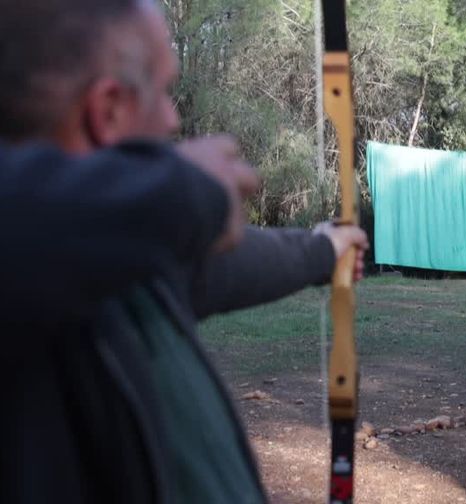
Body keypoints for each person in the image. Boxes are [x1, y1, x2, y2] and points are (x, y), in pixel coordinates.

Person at [0, 0, 368, 502]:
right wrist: (188, 192)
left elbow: (231, 263)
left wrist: (322, 249)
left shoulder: (124, 259)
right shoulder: (39, 269)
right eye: (164, 90)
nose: (174, 119)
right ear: (106, 110)